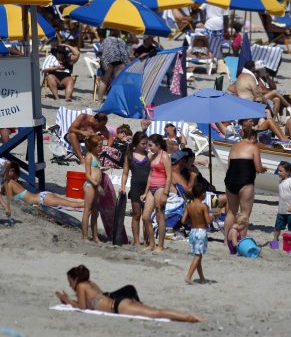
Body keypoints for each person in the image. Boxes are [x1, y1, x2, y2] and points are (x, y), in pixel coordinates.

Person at [55, 265, 203, 322]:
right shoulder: (90, 284)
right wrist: (68, 300)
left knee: (156, 314)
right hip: (120, 302)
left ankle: (190, 317)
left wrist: (66, 299)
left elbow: (82, 308)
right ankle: (191, 317)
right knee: (155, 312)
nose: (69, 284)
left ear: (75, 279)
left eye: (70, 281)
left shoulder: (81, 286)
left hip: (118, 306)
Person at [223, 128, 266, 242]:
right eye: (256, 140)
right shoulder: (253, 147)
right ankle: (241, 241)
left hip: (230, 180)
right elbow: (258, 168)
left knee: (231, 212)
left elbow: (229, 165)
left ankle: (226, 240)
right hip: (245, 181)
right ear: (253, 137)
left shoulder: (234, 146)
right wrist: (263, 169)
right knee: (245, 214)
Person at [0, 165, 84, 215]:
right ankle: (92, 205)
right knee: (74, 204)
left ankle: (94, 205)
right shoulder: (14, 182)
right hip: (43, 196)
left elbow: (8, 198)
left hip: (42, 199)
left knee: (75, 205)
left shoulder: (9, 183)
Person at [119, 132, 151, 248]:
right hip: (135, 188)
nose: (146, 146)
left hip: (148, 189)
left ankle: (147, 240)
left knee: (146, 216)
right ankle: (137, 241)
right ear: (136, 144)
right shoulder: (129, 156)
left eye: (147, 143)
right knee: (136, 215)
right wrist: (122, 186)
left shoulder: (149, 155)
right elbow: (125, 173)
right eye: (143, 143)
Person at [141, 134, 172, 251]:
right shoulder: (152, 156)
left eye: (151, 145)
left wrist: (165, 194)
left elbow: (169, 176)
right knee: (145, 216)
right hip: (152, 187)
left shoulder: (165, 156)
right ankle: (152, 244)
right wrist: (145, 192)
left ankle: (160, 245)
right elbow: (150, 175)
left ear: (158, 145)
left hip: (161, 187)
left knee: (160, 215)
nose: (149, 148)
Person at [181, 182, 212, 284]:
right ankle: (188, 276)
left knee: (197, 255)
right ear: (202, 194)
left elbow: (183, 220)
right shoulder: (204, 206)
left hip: (192, 231)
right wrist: (213, 217)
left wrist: (192, 220)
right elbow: (208, 221)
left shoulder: (189, 206)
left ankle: (202, 278)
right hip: (201, 232)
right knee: (198, 256)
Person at [82, 136, 104, 243]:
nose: (101, 147)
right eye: (99, 146)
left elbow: (96, 169)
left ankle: (95, 236)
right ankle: (85, 237)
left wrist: (102, 169)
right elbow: (87, 175)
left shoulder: (96, 156)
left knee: (95, 212)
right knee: (88, 210)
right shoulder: (89, 156)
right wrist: (97, 185)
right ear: (93, 146)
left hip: (95, 185)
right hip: (90, 185)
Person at [273, 161, 291, 245]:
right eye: (278, 170)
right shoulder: (280, 182)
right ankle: (275, 242)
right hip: (281, 210)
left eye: (281, 171)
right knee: (277, 227)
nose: (278, 172)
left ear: (287, 172)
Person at [97, 34, 129, 102]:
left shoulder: (106, 40)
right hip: (121, 59)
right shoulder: (122, 40)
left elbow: (100, 51)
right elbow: (127, 52)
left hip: (109, 59)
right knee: (118, 81)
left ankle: (99, 99)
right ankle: (118, 100)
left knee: (104, 80)